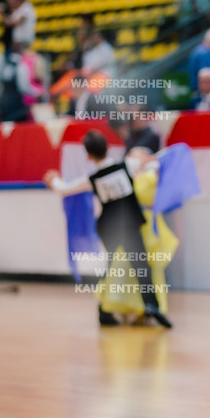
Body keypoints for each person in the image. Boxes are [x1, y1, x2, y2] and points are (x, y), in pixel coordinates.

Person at [45, 130, 173, 329]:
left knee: (112, 268)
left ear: (88, 155)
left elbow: (64, 189)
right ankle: (150, 305)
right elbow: (153, 162)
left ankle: (106, 311)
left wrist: (53, 179)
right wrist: (151, 161)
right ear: (107, 147)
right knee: (140, 265)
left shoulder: (92, 178)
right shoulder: (126, 165)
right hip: (129, 224)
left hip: (109, 228)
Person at [93, 145, 199, 322]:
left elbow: (175, 155)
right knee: (121, 266)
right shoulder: (126, 174)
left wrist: (152, 163)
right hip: (130, 225)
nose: (132, 157)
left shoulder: (153, 171)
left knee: (147, 266)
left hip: (148, 224)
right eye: (130, 155)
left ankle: (148, 307)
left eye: (136, 154)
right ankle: (117, 307)